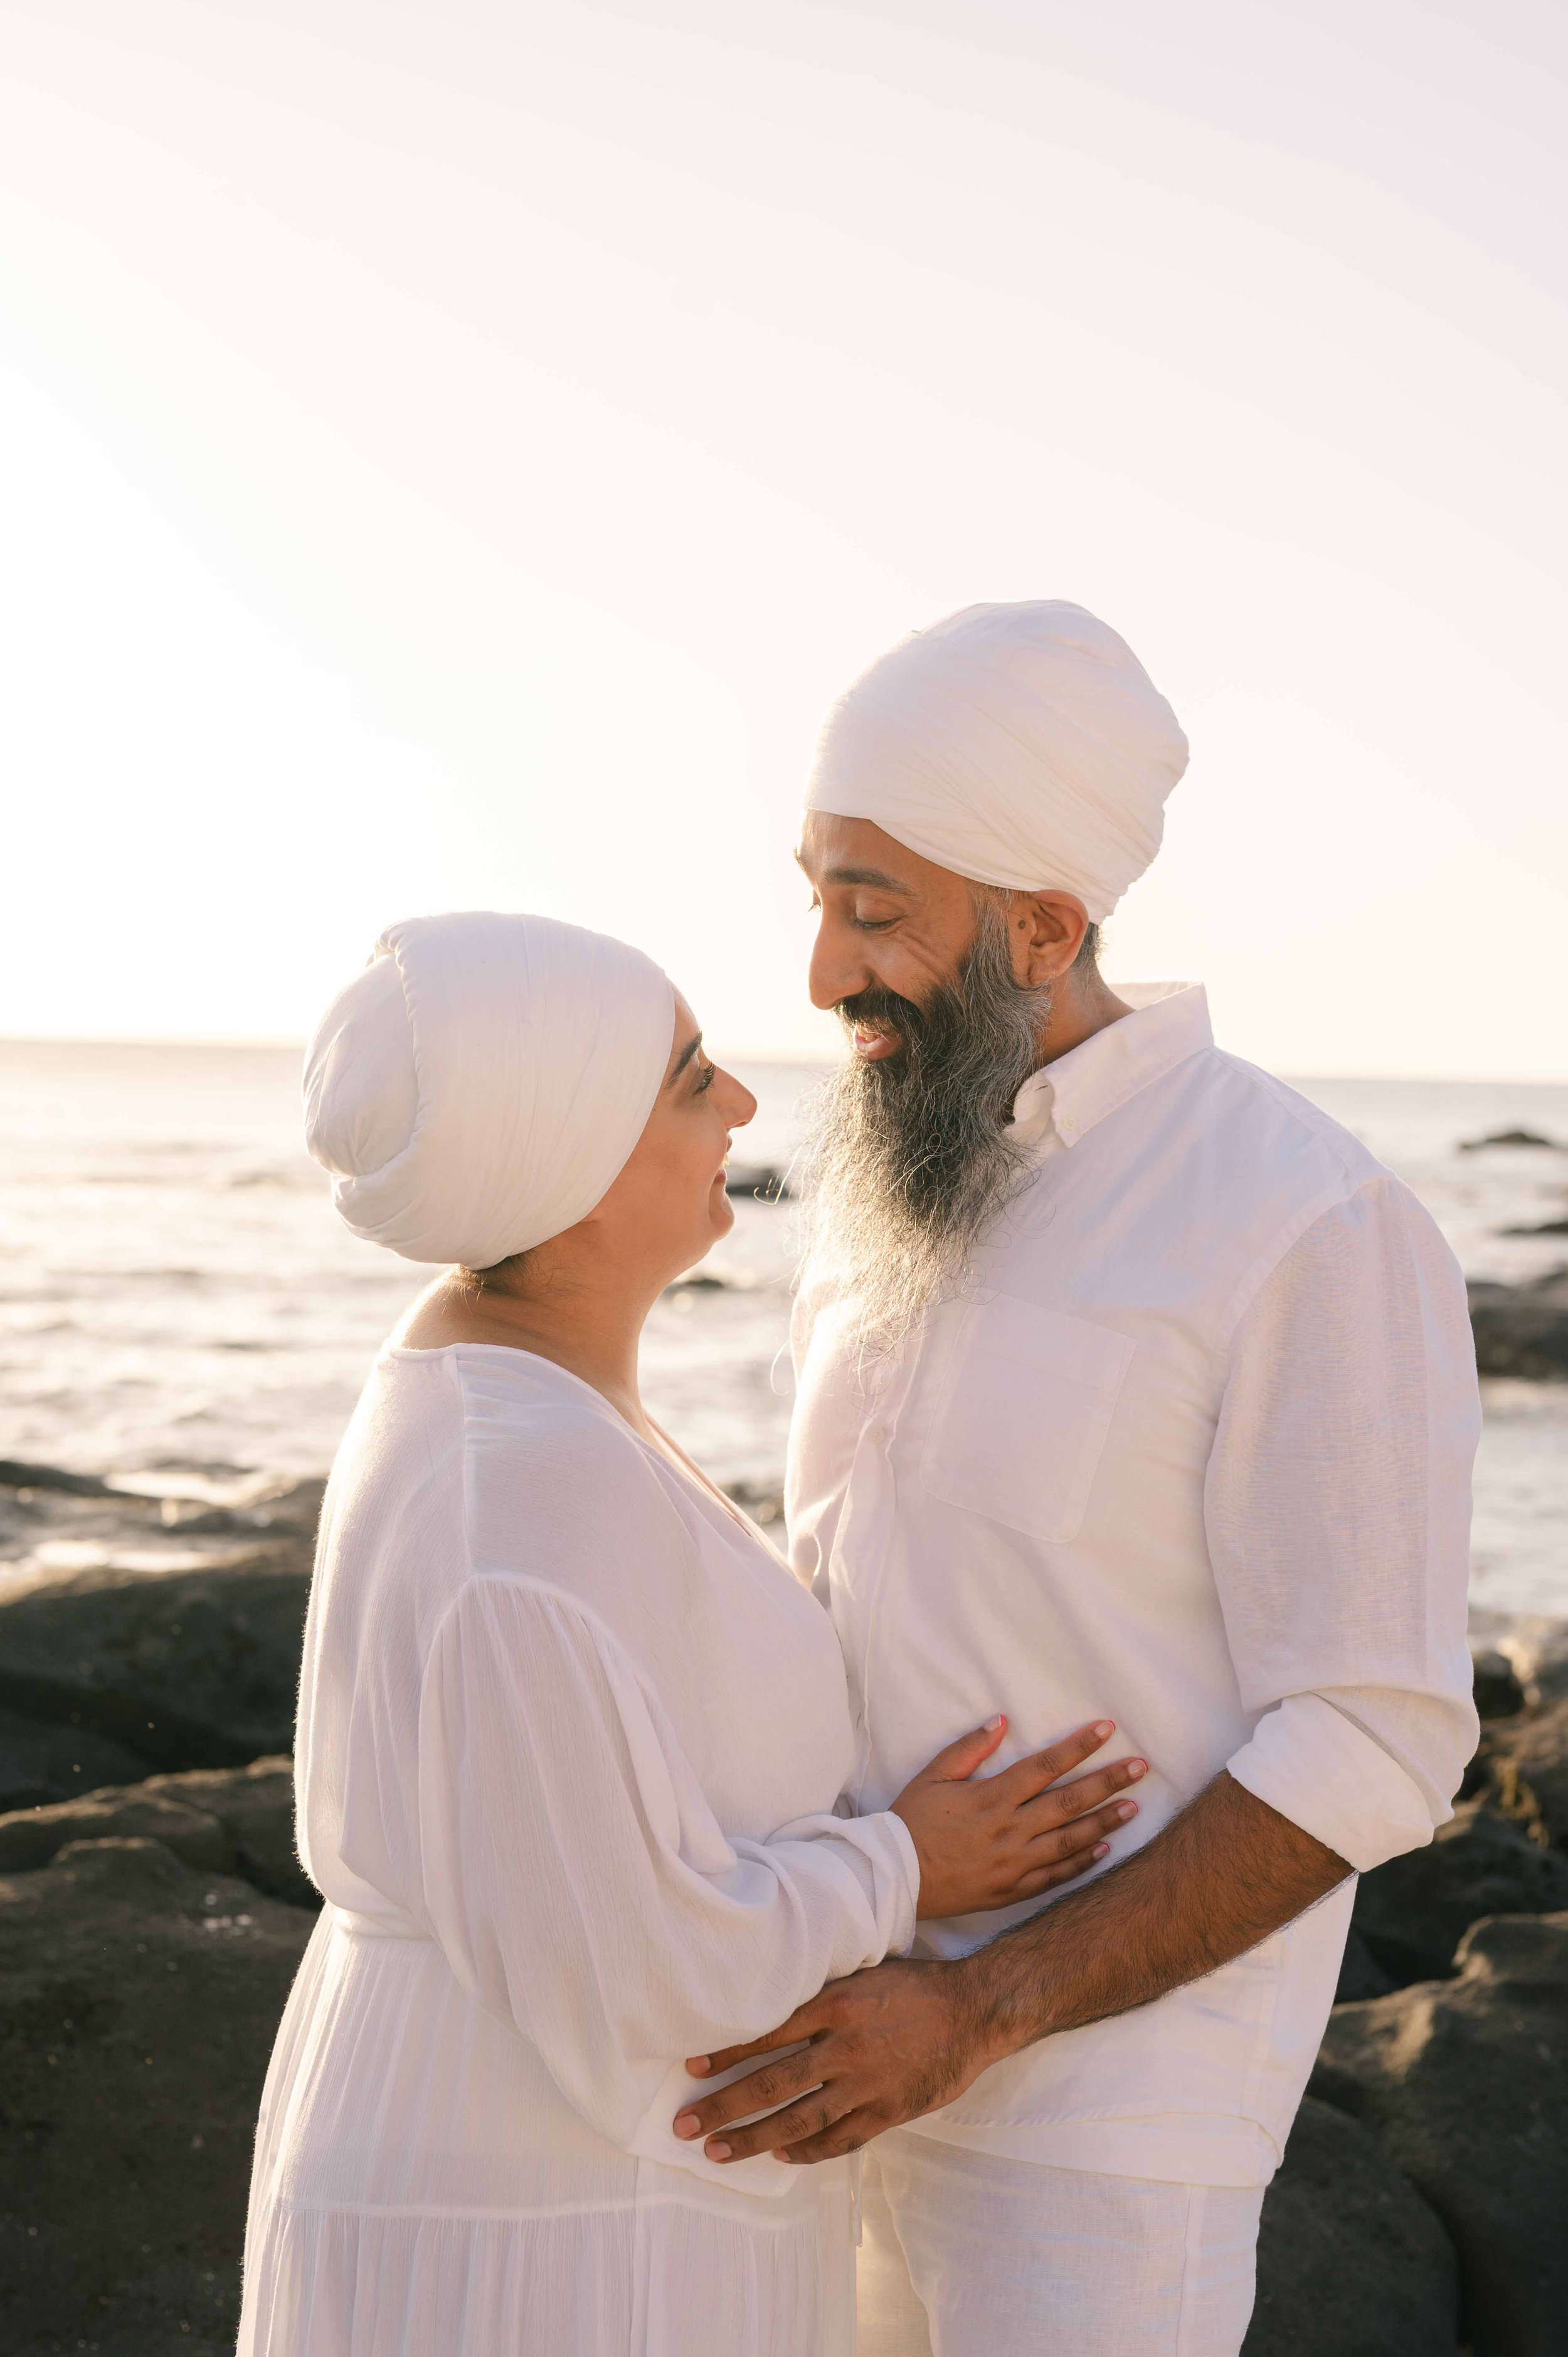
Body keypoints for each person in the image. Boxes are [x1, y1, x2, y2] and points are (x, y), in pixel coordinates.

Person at [667, 603, 1481, 2357]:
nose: (819, 971)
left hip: (1098, 2131)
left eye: (873, 910)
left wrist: (975, 2011)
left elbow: (1379, 1727)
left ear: (1041, 926)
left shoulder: (1303, 1219)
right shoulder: (891, 1199)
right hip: (821, 2052)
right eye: (814, 894)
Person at [236, 907, 1146, 2357]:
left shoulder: (523, 1402)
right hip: (548, 2235)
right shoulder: (516, 1493)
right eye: (687, 1077)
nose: (739, 1103)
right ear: (569, 1152)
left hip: (570, 2186)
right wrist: (908, 1859)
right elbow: (632, 1963)